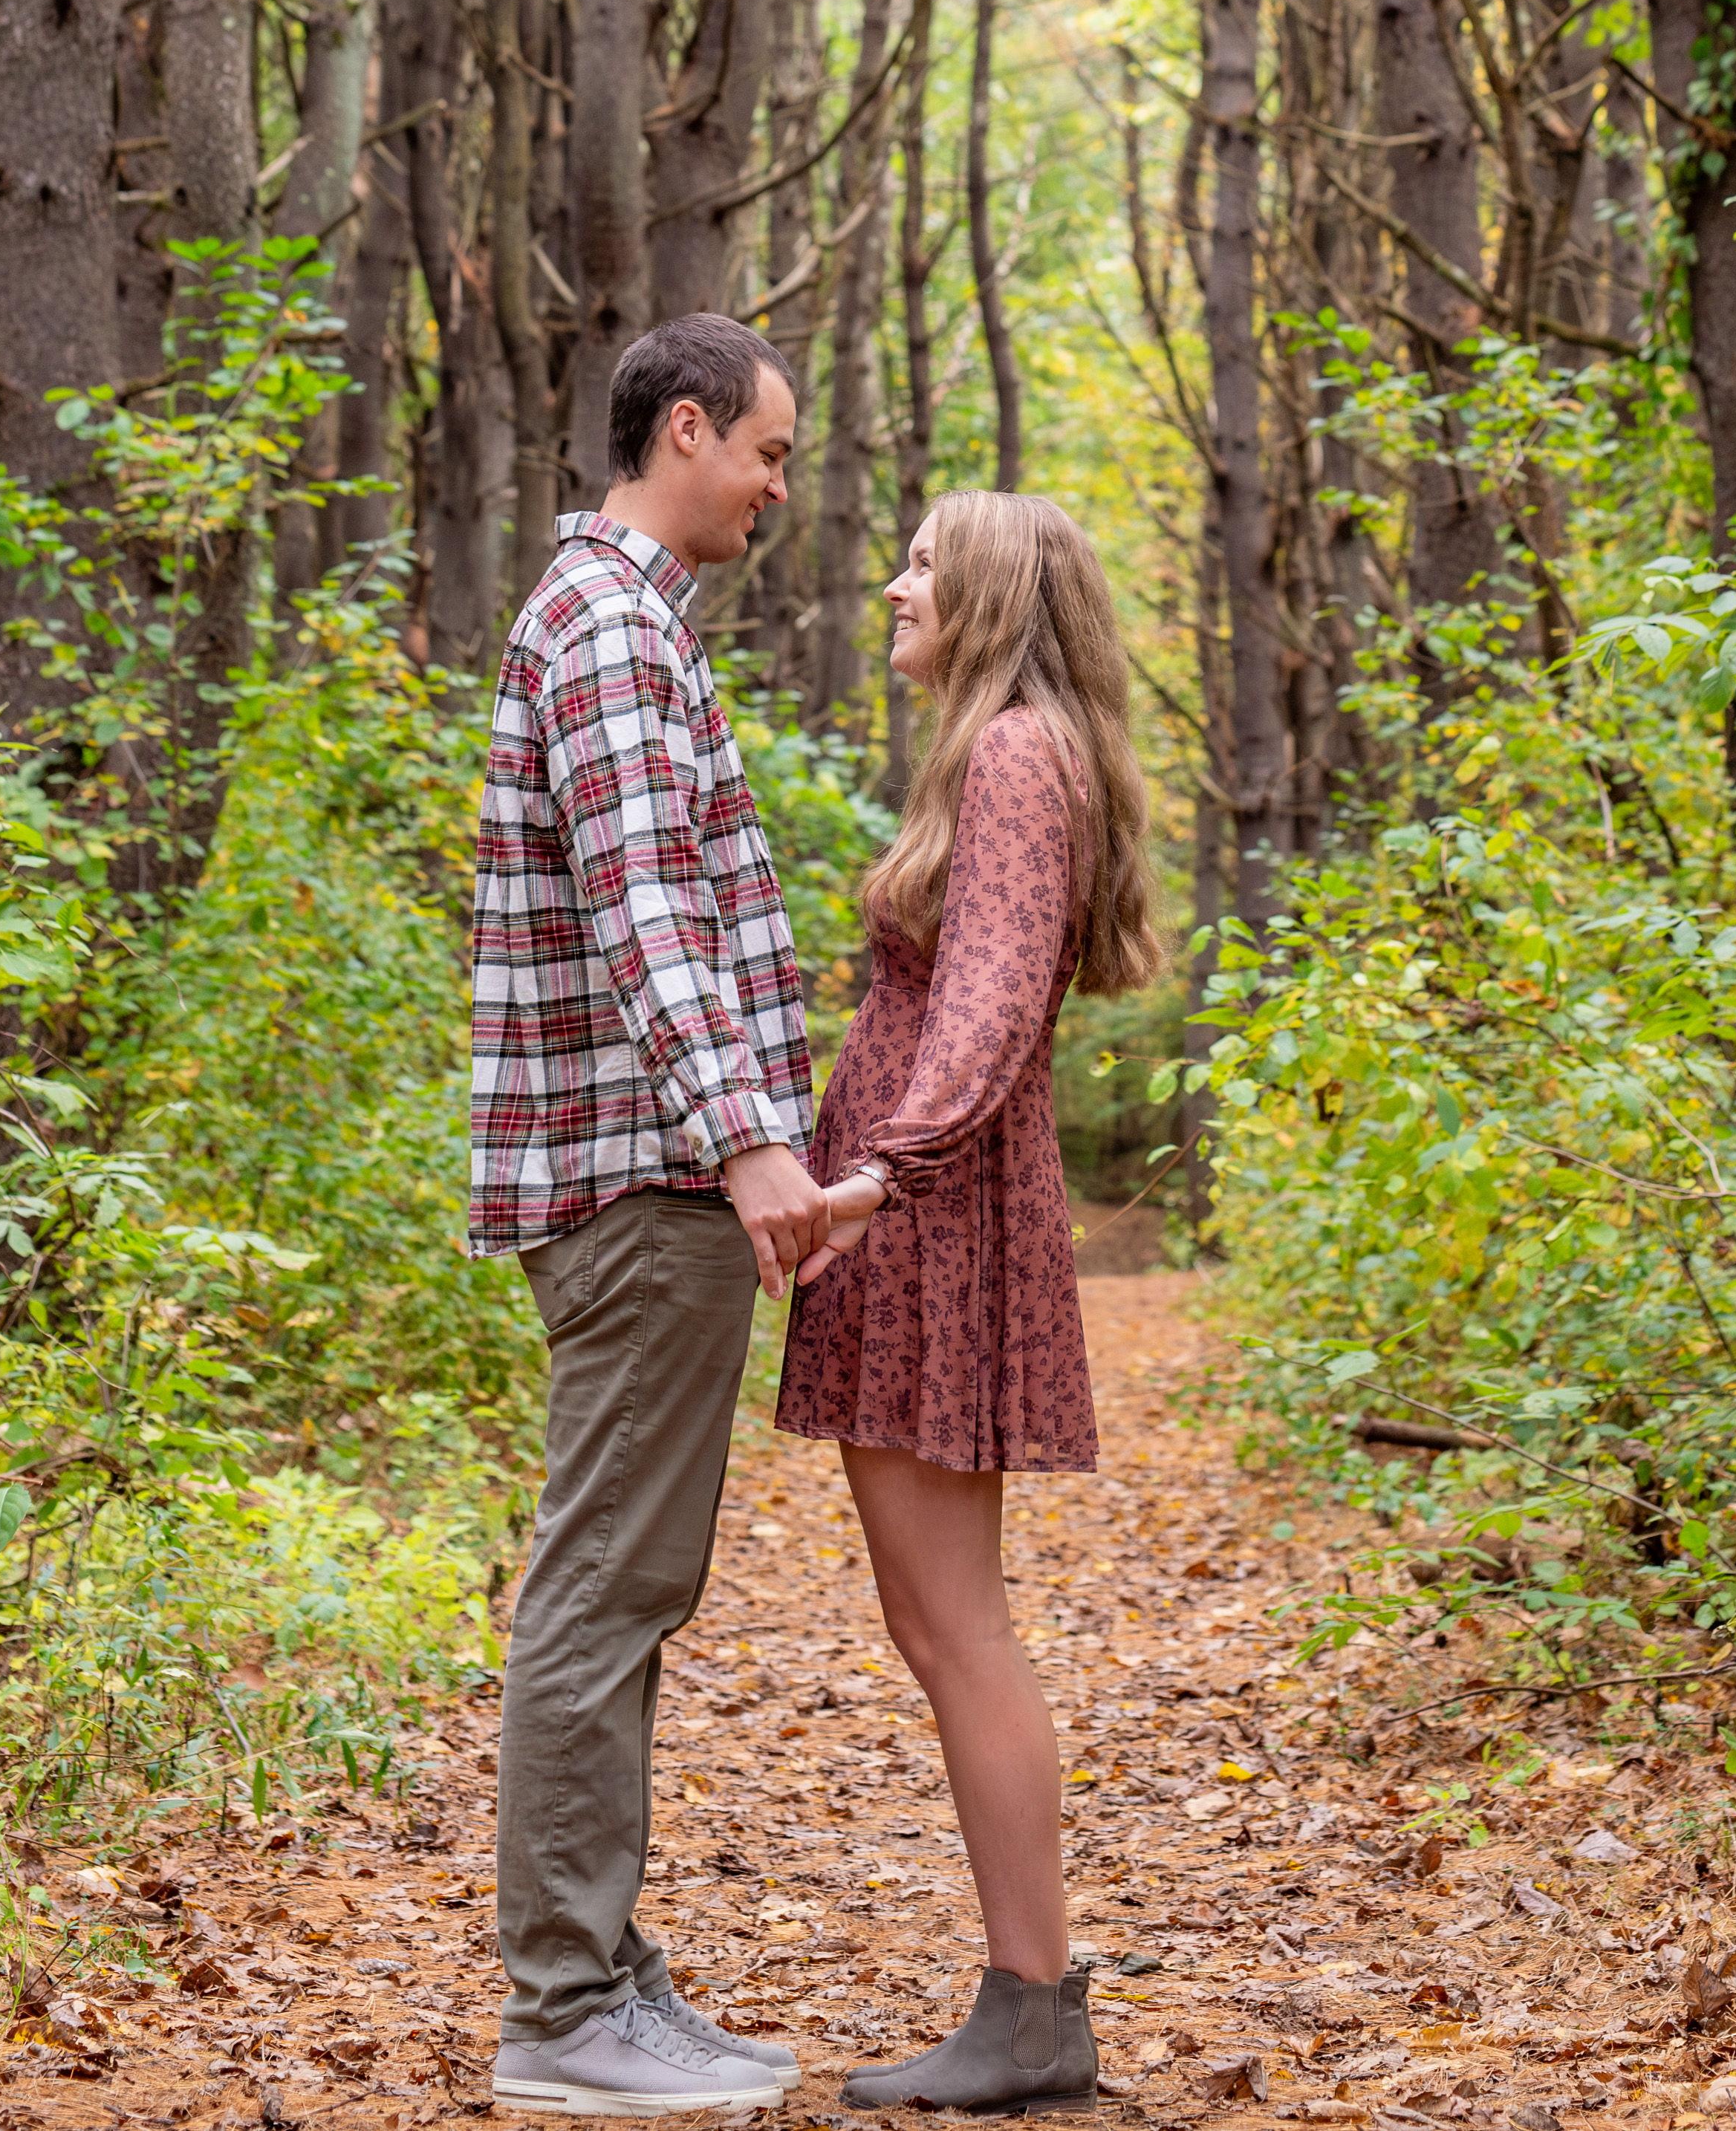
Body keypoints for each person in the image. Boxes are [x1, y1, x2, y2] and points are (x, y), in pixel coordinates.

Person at [469, 313, 835, 2119]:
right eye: (766, 452)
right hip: (636, 1178)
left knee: (630, 1580)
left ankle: (603, 1972)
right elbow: (644, 909)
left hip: (649, 1170)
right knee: (605, 1586)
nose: (777, 488)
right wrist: (748, 1140)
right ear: (683, 430)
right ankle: (561, 2008)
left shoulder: (628, 622)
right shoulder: (611, 624)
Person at [773, 492, 1168, 2114]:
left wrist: (884, 1175)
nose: (895, 583)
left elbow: (992, 1003)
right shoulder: (1018, 751)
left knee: (955, 1624)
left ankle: (1032, 2006)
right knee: (942, 1619)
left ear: (995, 591)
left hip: (928, 1219)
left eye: (926, 562)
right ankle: (1027, 2003)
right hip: (933, 1208)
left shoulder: (1011, 754)